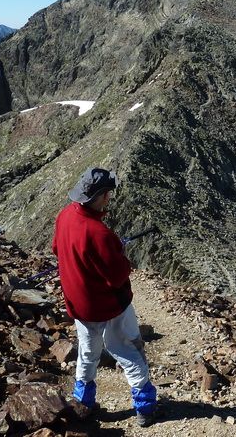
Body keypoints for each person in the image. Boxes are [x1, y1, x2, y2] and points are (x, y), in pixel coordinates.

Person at [52, 167, 157, 426]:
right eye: (107, 194)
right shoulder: (99, 234)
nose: (109, 198)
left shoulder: (64, 216)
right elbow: (118, 275)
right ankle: (145, 407)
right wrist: (117, 251)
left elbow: (57, 248)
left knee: (87, 353)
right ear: (96, 196)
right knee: (129, 350)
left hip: (79, 305)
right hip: (110, 306)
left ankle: (83, 402)